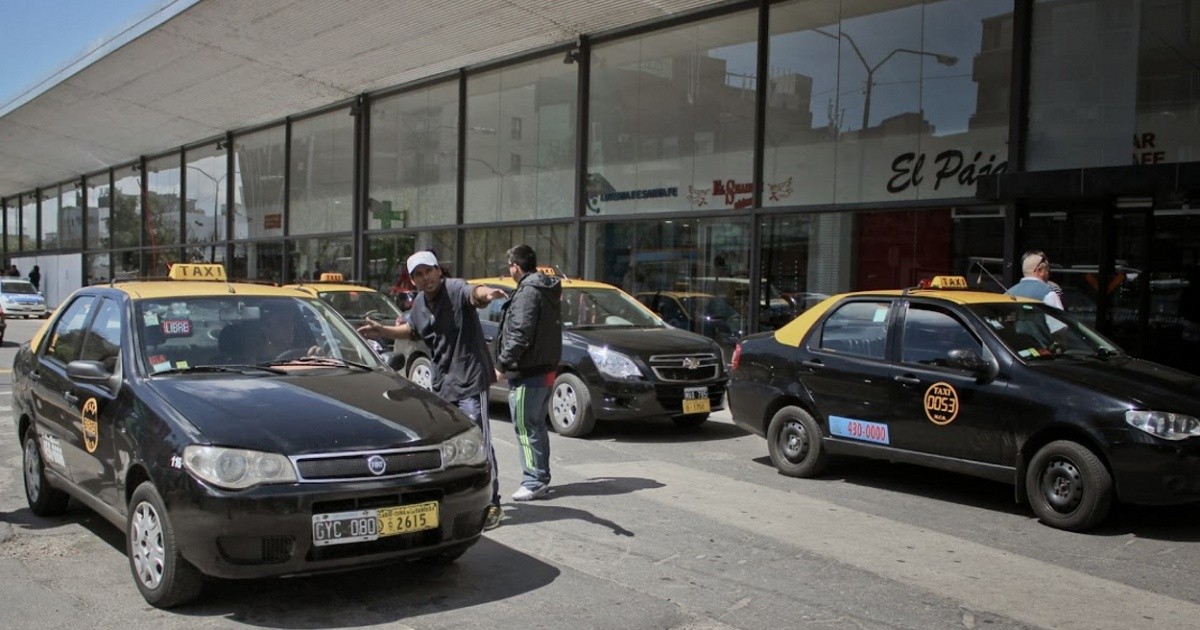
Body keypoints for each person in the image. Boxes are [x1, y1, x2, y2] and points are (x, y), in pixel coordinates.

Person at [357, 250, 507, 529]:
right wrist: (383, 331)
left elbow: (474, 293)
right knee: (450, 444)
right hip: (444, 383)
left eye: (428, 271)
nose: (425, 278)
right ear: (413, 280)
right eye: (418, 275)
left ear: (439, 270)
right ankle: (457, 499)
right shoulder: (420, 305)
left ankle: (493, 502)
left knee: (479, 441)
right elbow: (412, 330)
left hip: (471, 379)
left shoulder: (454, 288)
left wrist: (487, 295)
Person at [493, 245, 562, 501]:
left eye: (509, 265)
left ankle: (534, 480)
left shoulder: (528, 292)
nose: (509, 269)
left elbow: (521, 334)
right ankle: (540, 477)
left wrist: (501, 364)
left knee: (525, 426)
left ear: (515, 266)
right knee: (535, 426)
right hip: (543, 368)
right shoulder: (544, 288)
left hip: (528, 370)